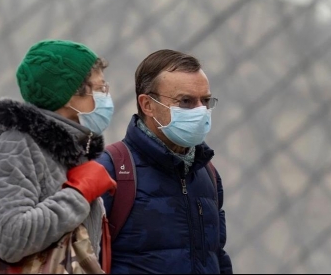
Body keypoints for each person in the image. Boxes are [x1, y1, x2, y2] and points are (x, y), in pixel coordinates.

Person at [0, 40, 117, 264]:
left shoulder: (73, 148)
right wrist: (79, 193)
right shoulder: (16, 145)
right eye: (101, 89)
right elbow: (8, 238)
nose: (107, 97)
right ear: (71, 94)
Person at [97, 50, 233, 274]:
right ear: (147, 105)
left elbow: (217, 255)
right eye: (186, 101)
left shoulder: (207, 173)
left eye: (206, 101)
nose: (200, 110)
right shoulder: (110, 170)